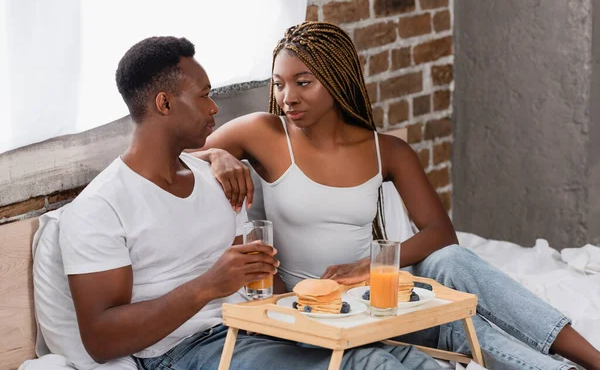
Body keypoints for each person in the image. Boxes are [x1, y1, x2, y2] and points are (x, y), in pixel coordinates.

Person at [197, 21, 600, 370]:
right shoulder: (262, 133)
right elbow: (174, 162)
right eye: (280, 84)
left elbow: (441, 233)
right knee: (459, 328)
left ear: (338, 80)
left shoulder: (386, 150)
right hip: (312, 313)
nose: (289, 98)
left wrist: (365, 267)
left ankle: (590, 359)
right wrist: (216, 153)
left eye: (304, 82)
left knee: (452, 265)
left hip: (377, 298)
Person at [54, 35, 444, 370]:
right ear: (164, 104)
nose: (214, 108)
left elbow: (263, 274)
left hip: (266, 324)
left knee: (414, 361)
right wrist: (207, 286)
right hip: (187, 350)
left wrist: (313, 313)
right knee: (369, 365)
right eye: (204, 96)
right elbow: (101, 341)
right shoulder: (100, 208)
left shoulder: (219, 180)